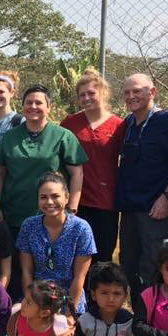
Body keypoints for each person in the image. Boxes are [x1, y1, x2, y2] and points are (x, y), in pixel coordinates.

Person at [0, 85, 87, 296]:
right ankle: (19, 317)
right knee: (18, 271)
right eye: (28, 103)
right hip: (14, 214)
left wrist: (72, 207)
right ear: (22, 106)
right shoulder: (10, 137)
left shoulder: (63, 136)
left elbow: (77, 174)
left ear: (49, 107)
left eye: (39, 103)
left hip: (51, 217)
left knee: (52, 270)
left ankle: (60, 314)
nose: (33, 106)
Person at [116, 73, 168, 301]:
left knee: (156, 265)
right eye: (127, 92)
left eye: (137, 91)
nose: (131, 96)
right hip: (131, 208)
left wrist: (167, 197)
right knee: (129, 264)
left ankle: (161, 318)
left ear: (152, 92)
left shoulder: (166, 122)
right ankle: (140, 320)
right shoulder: (128, 124)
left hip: (158, 210)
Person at [60, 69, 125, 262]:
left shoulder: (119, 125)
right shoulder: (70, 123)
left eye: (91, 93)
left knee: (102, 254)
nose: (86, 98)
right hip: (75, 202)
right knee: (74, 255)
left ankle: (100, 293)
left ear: (103, 93)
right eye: (82, 95)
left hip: (105, 201)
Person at [16, 172, 96, 316]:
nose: (49, 202)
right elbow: (27, 271)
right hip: (37, 297)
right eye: (43, 197)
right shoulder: (28, 226)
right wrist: (32, 303)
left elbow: (79, 277)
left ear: (66, 198)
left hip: (69, 299)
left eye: (55, 196)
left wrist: (69, 316)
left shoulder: (81, 229)